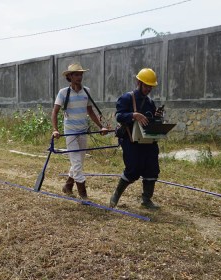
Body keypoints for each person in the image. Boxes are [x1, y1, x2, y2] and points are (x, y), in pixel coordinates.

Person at [110, 68, 165, 209]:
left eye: (150, 86)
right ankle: (116, 194)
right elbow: (118, 116)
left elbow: (150, 120)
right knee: (133, 169)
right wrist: (133, 115)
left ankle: (146, 200)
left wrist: (157, 117)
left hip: (148, 141)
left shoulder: (150, 102)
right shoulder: (127, 98)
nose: (148, 89)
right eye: (146, 85)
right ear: (139, 83)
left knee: (152, 168)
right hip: (131, 141)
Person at [51, 63, 107, 200]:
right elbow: (55, 112)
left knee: (79, 163)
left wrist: (101, 127)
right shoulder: (63, 93)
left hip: (83, 131)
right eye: (76, 74)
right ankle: (84, 196)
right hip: (70, 132)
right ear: (69, 76)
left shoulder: (86, 91)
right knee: (76, 163)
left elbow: (90, 111)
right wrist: (55, 130)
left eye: (81, 74)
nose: (79, 77)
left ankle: (68, 186)